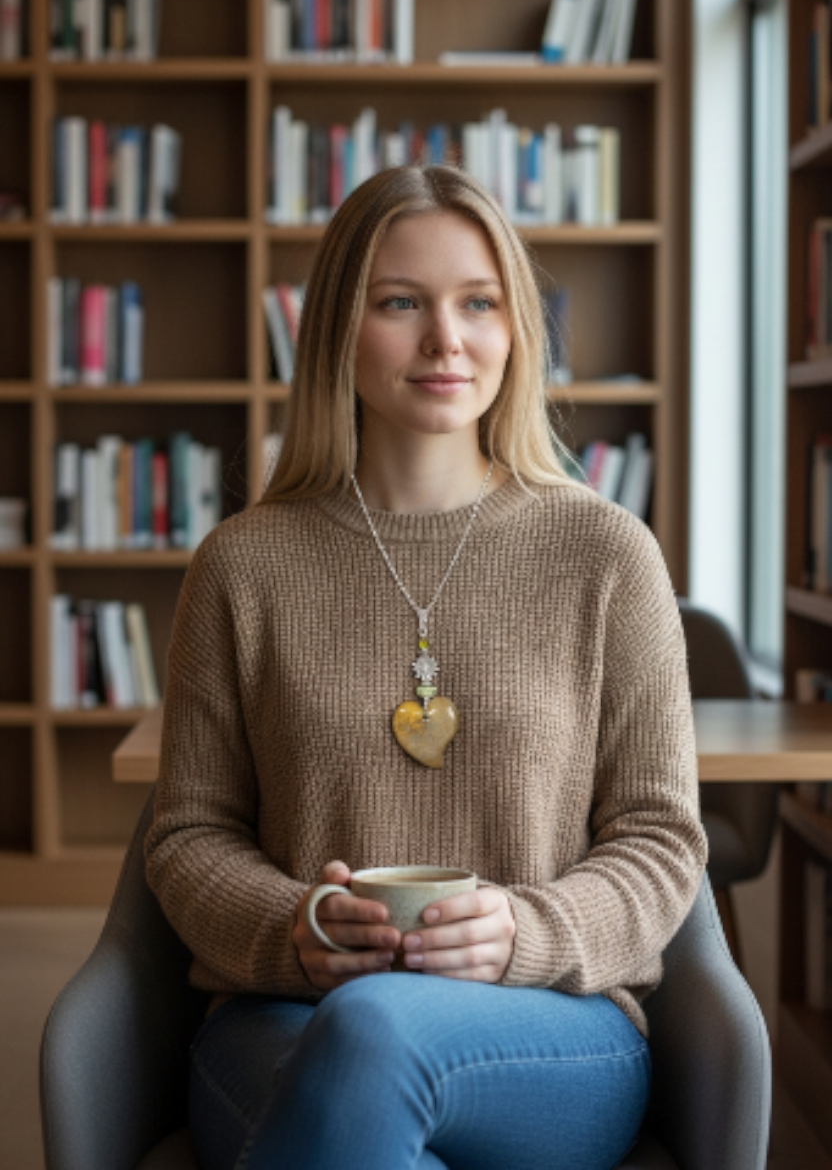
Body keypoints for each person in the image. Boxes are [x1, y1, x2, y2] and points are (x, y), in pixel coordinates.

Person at [145, 163, 708, 1170]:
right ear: (335, 331)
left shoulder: (608, 554)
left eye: (479, 303)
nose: (447, 340)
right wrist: (298, 929)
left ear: (515, 329)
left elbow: (660, 840)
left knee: (374, 1041)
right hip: (285, 1023)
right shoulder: (242, 564)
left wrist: (523, 931)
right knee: (362, 1060)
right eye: (401, 303)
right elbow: (189, 836)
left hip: (550, 1029)